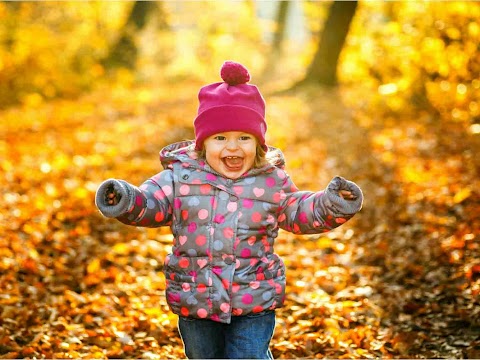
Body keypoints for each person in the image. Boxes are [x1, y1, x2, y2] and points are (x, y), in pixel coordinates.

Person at [95, 60, 363, 359]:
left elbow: (299, 211)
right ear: (202, 144)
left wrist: (332, 204)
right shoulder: (179, 178)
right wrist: (127, 199)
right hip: (195, 295)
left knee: (247, 356)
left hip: (253, 296)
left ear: (258, 144)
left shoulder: (271, 181)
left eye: (244, 138)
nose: (232, 147)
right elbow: (152, 203)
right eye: (220, 138)